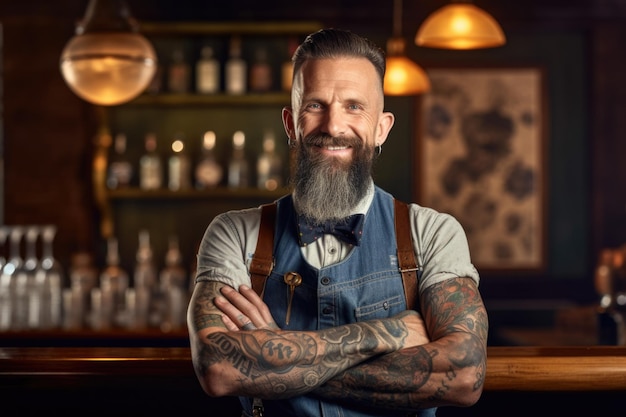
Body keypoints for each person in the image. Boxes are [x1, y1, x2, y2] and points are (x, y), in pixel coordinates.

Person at [187, 28, 488, 417]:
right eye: (315, 105)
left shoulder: (432, 233)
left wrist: (277, 351)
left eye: (353, 107)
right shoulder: (233, 233)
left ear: (381, 128)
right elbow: (219, 368)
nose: (333, 125)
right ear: (290, 124)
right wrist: (380, 335)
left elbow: (464, 375)